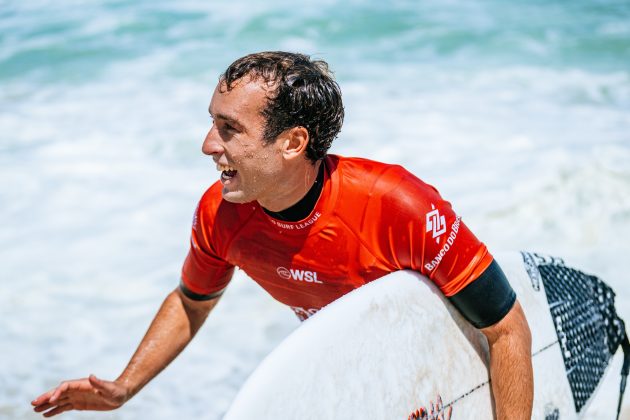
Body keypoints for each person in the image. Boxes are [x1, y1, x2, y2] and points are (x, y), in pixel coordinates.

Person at [32, 51, 533, 419]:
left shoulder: (396, 204)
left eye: (229, 129)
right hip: (361, 387)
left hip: (448, 378)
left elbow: (506, 328)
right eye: (212, 123)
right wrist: (124, 387)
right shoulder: (221, 213)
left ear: (293, 142)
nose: (208, 144)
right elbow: (192, 302)